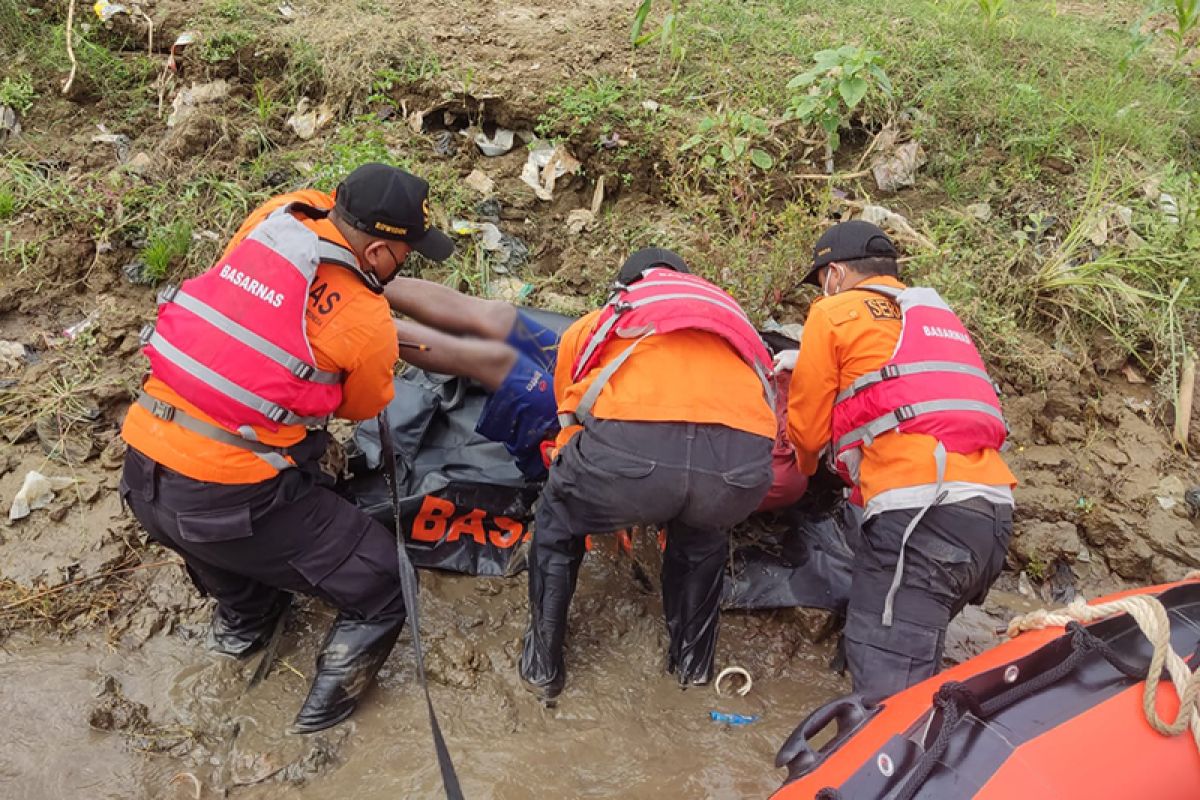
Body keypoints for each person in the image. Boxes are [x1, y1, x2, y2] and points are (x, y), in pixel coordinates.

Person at [119, 162, 455, 733]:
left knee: (231, 554)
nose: (405, 264)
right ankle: (317, 731)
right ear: (375, 254)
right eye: (405, 255)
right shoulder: (366, 320)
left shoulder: (277, 218)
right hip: (224, 500)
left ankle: (242, 625)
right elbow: (357, 406)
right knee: (385, 584)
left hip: (143, 466)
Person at [518, 248, 777, 702]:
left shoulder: (608, 317)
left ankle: (543, 667)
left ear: (627, 285)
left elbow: (568, 413)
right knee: (702, 540)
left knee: (557, 521)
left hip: (633, 454)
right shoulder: (732, 324)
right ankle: (693, 671)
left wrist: (593, 487)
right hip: (737, 468)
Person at [782, 220, 1016, 698]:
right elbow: (907, 383)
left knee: (888, 704)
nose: (820, 292)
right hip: (990, 519)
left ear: (838, 273)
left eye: (821, 280)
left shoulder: (833, 312)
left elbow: (806, 432)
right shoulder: (936, 316)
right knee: (902, 658)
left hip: (920, 521)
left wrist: (804, 475)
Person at [380, 278, 561, 481]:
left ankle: (358, 319)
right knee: (501, 317)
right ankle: (357, 276)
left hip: (582, 433)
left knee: (497, 361)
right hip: (591, 381)